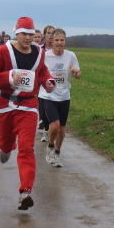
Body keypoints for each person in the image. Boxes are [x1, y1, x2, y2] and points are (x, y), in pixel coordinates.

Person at [0, 16, 55, 210]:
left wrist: (48, 81)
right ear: (16, 33)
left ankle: (25, 192)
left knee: (26, 148)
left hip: (29, 106)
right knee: (7, 144)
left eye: (31, 34)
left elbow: (42, 72)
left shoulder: (39, 53)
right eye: (24, 34)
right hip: (6, 104)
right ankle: (5, 149)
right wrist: (9, 77)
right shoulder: (3, 51)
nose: (28, 38)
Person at [39, 28, 81, 167]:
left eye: (62, 40)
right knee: (55, 126)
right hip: (48, 95)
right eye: (56, 40)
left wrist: (76, 73)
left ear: (65, 41)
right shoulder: (45, 55)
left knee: (62, 130)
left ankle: (56, 152)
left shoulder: (71, 56)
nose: (59, 43)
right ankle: (50, 146)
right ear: (51, 40)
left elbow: (78, 73)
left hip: (64, 96)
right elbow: (37, 73)